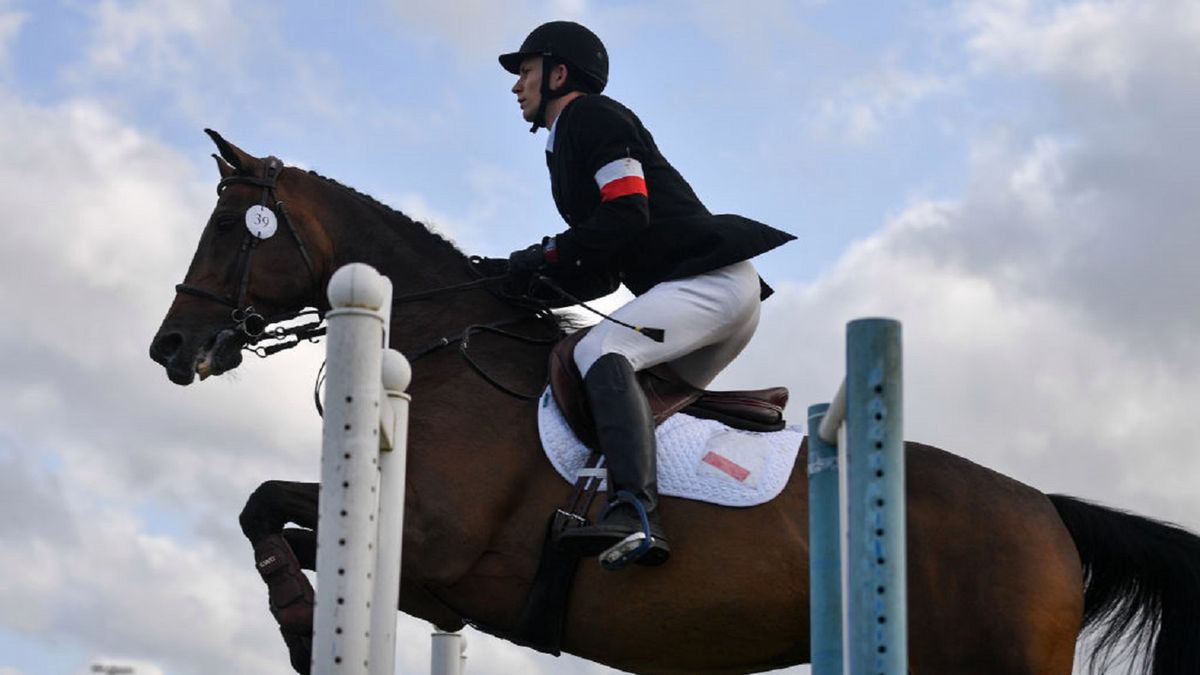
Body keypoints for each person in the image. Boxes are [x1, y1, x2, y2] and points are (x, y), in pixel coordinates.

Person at [498, 21, 794, 567]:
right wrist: (519, 278)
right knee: (625, 382)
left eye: (526, 71)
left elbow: (627, 209)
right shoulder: (563, 145)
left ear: (559, 73)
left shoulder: (591, 115)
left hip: (710, 285)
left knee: (600, 352)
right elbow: (604, 270)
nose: (517, 85)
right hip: (705, 293)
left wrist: (543, 257)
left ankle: (635, 510)